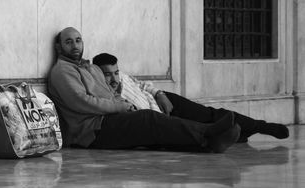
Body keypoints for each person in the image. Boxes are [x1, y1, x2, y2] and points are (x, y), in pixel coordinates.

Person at [47, 27, 241, 153]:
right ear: (58, 47)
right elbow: (81, 101)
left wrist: (126, 104)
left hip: (108, 120)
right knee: (149, 119)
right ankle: (208, 131)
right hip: (91, 131)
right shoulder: (62, 71)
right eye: (68, 41)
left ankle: (210, 143)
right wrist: (120, 107)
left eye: (78, 40)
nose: (75, 45)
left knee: (156, 135)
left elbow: (111, 93)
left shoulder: (92, 67)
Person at [92, 52, 289, 143]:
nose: (114, 78)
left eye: (115, 72)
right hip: (159, 121)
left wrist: (160, 94)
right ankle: (240, 134)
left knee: (211, 114)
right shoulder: (102, 92)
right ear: (98, 74)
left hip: (165, 102)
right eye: (107, 74)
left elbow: (143, 85)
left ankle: (262, 126)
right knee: (198, 129)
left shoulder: (123, 77)